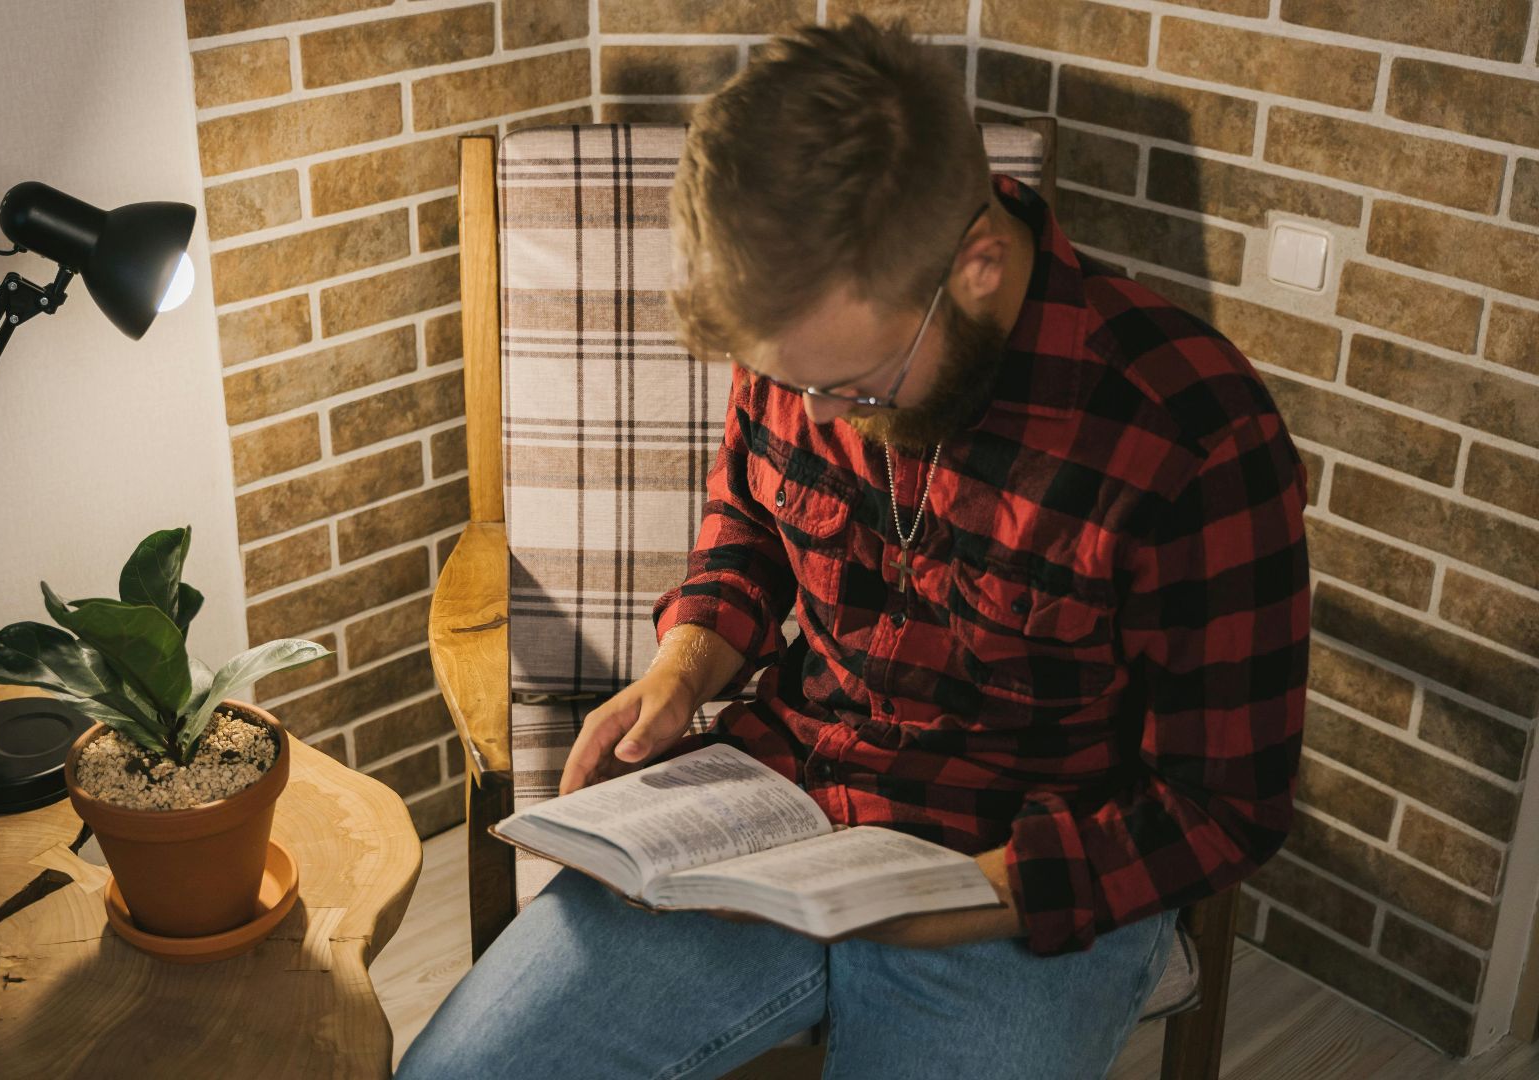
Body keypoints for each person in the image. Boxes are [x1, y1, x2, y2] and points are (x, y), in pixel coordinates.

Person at [396, 14, 1309, 1080]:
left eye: (849, 388)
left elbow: (1224, 808)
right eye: (787, 384)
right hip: (779, 804)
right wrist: (685, 664)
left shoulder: (1192, 436)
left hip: (1023, 876)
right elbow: (749, 517)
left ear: (975, 265)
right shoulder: (802, 331)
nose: (817, 416)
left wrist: (986, 894)